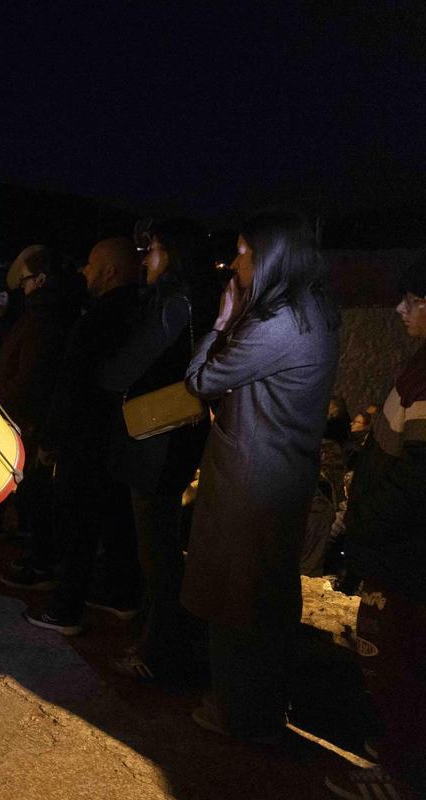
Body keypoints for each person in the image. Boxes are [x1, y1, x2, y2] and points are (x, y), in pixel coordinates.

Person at [182, 211, 340, 743]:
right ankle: (262, 704)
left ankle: (240, 713)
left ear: (272, 258)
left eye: (245, 251)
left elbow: (201, 380)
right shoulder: (313, 311)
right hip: (283, 473)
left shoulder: (275, 324)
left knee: (236, 598)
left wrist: (221, 322)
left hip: (250, 481)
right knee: (267, 595)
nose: (235, 262)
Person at [98, 219, 218, 681]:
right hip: (176, 434)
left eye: (152, 250)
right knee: (162, 547)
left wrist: (108, 368)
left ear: (171, 256)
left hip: (158, 438)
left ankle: (161, 653)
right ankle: (162, 641)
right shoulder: (200, 298)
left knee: (158, 553)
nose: (145, 259)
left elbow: (124, 368)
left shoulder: (174, 302)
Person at [325, 254, 426, 799]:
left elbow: (418, 476)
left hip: (407, 553)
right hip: (398, 546)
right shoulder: (419, 363)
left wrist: (366, 521)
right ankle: (401, 749)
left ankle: (402, 774)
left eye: (414, 300)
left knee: (399, 662)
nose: (401, 309)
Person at [25, 237, 142, 635]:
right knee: (115, 518)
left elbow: (73, 384)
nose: (85, 272)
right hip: (124, 435)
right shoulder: (142, 310)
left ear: (110, 270)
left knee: (76, 523)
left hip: (86, 437)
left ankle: (65, 608)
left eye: (92, 265)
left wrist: (51, 439)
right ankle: (122, 594)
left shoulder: (98, 318)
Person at [0, 245, 77, 558]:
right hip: (24, 413)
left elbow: (32, 373)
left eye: (25, 280)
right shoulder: (37, 314)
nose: (21, 288)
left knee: (33, 487)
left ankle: (37, 554)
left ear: (40, 279)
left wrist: (4, 398)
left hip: (26, 416)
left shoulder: (45, 316)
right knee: (28, 486)